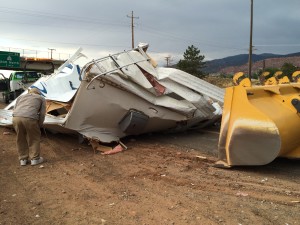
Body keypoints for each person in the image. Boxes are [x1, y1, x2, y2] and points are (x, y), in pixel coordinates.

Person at [12, 88, 46, 166]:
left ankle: (23, 159)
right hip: (30, 118)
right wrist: (39, 125)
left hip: (16, 117)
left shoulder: (21, 97)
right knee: (34, 138)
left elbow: (15, 109)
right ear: (38, 93)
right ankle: (35, 159)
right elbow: (42, 113)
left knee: (20, 137)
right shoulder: (41, 98)